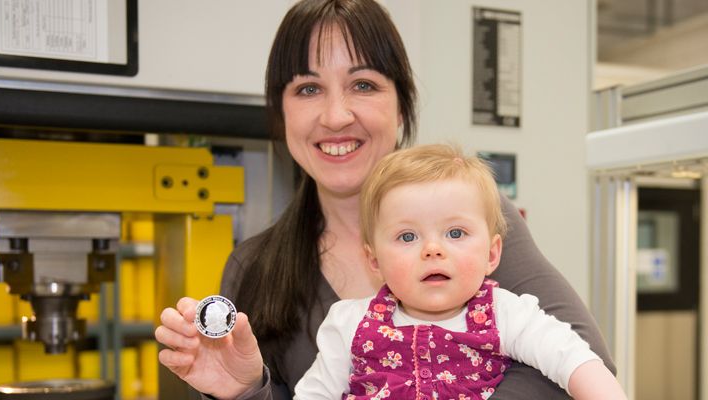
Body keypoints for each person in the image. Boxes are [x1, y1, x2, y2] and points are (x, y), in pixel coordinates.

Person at [155, 0, 615, 399]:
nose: (336, 116)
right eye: (308, 89)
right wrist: (243, 391)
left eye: (363, 85)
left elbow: (579, 361)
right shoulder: (253, 267)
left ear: (402, 105)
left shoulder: (476, 223)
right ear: (282, 113)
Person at [293, 144, 625, 399]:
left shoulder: (505, 313)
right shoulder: (348, 323)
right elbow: (314, 394)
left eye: (455, 233)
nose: (432, 249)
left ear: (492, 253)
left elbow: (575, 361)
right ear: (374, 260)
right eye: (407, 236)